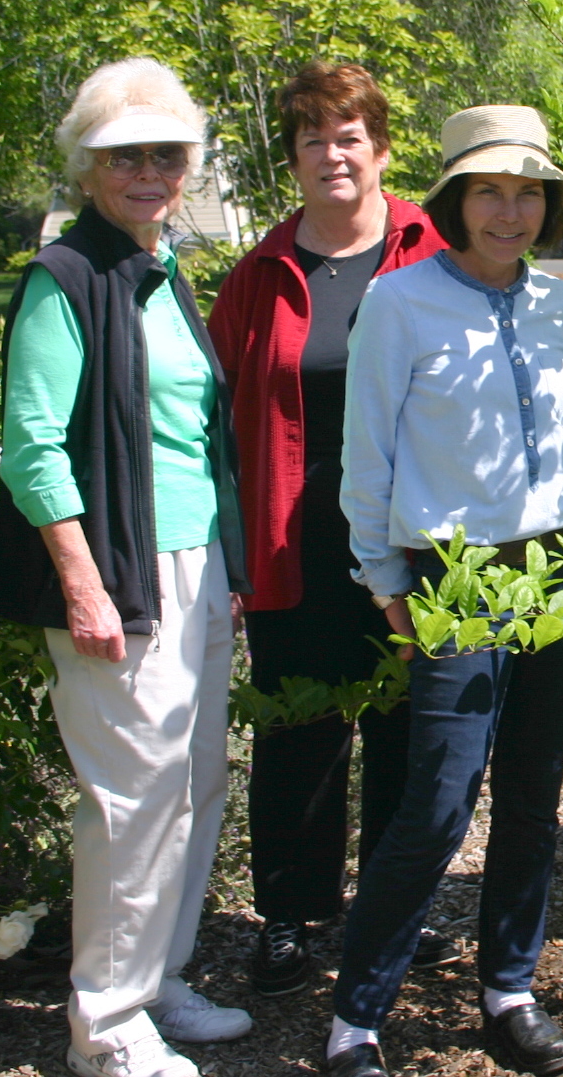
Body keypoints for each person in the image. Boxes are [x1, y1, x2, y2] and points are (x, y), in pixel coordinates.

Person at [0, 58, 252, 1077]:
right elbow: (34, 443)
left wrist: (222, 562)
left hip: (193, 571)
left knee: (192, 783)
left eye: (168, 154)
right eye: (125, 154)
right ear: (89, 168)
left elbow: (192, 438)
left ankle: (158, 979)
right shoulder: (67, 279)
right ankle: (107, 1025)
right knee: (131, 799)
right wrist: (85, 584)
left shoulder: (162, 269)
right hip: (118, 576)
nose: (150, 170)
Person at [326, 105, 563, 1077]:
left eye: (529, 190)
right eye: (490, 189)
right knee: (441, 799)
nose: (511, 209)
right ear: (454, 198)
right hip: (462, 572)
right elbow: (367, 463)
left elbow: (562, 446)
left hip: (559, 563)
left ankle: (509, 991)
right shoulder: (400, 305)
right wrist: (383, 580)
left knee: (533, 797)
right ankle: (355, 1020)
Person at [207, 62, 449, 997]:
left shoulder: (432, 252)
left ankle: (394, 907)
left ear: (381, 149)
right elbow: (218, 421)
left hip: (410, 539)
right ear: (295, 158)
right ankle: (289, 916)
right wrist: (229, 553)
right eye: (313, 138)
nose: (332, 154)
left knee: (405, 726)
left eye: (349, 136)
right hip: (294, 543)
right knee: (301, 727)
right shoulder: (259, 275)